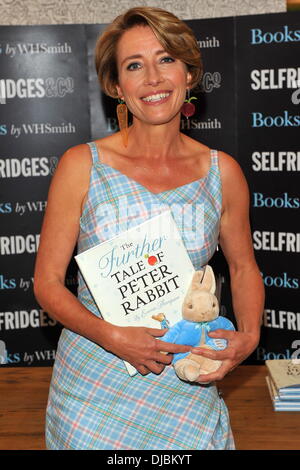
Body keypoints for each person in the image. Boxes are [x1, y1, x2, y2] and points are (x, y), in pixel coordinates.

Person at [34, 6, 264, 450]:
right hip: (94, 388)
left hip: (188, 380)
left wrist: (249, 338)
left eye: (166, 59)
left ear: (189, 73)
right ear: (117, 86)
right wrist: (115, 337)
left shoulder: (223, 173)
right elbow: (46, 284)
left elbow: (244, 268)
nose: (153, 78)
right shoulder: (82, 165)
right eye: (135, 66)